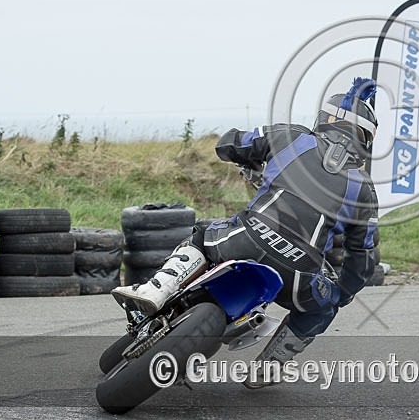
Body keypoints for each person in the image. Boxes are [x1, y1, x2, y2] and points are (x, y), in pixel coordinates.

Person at [112, 77, 379, 388]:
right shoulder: (365, 190)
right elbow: (362, 262)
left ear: (326, 117)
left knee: (201, 233)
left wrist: (250, 159)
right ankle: (269, 366)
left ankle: (155, 290)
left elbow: (228, 142)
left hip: (245, 239)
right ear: (365, 139)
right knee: (322, 309)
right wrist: (339, 296)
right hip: (299, 273)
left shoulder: (291, 136)